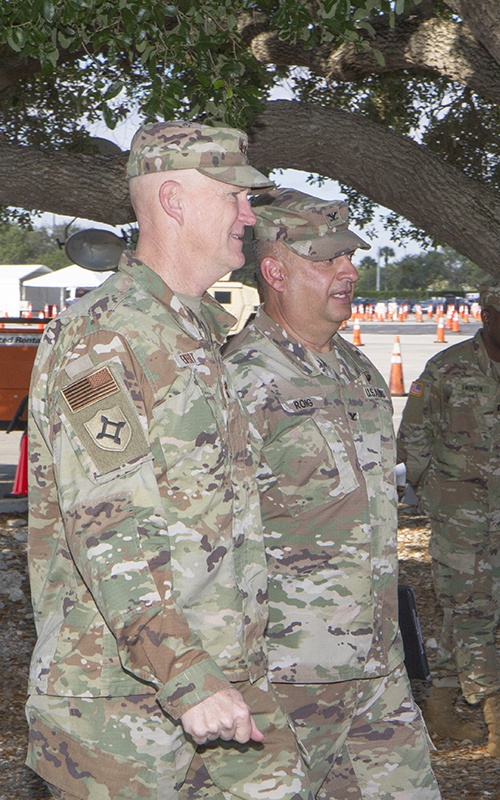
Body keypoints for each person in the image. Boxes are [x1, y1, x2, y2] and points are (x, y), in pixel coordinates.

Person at [26, 122, 314, 800]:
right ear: (175, 200)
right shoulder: (102, 338)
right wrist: (186, 673)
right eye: (234, 196)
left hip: (225, 684)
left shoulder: (192, 330)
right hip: (124, 709)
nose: (249, 214)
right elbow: (106, 527)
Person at [223, 188, 441, 799]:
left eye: (349, 256)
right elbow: (210, 534)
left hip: (377, 660)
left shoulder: (359, 373)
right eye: (326, 259)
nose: (347, 271)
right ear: (274, 270)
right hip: (289, 671)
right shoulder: (238, 377)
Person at [397, 280, 500, 759]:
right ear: (485, 316)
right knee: (470, 612)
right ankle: (499, 722)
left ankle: (439, 704)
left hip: (499, 504)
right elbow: (412, 435)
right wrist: (434, 492)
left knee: (481, 608)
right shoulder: (447, 367)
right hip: (454, 503)